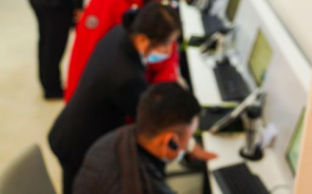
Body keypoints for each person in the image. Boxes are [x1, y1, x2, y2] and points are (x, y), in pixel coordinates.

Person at [50, 2, 212, 194]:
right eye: (166, 44)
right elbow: (154, 122)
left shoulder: (121, 32)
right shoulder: (125, 78)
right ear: (143, 40)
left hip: (78, 126)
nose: (169, 51)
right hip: (77, 142)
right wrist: (190, 145)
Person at [64, 0, 179, 102]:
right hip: (112, 95)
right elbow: (84, 55)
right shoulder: (108, 2)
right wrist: (77, 101)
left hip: (140, 89)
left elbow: (164, 50)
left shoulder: (154, 4)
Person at [73, 83, 217, 194]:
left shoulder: (111, 140)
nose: (190, 142)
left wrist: (189, 145)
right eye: (191, 135)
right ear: (170, 141)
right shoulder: (147, 188)